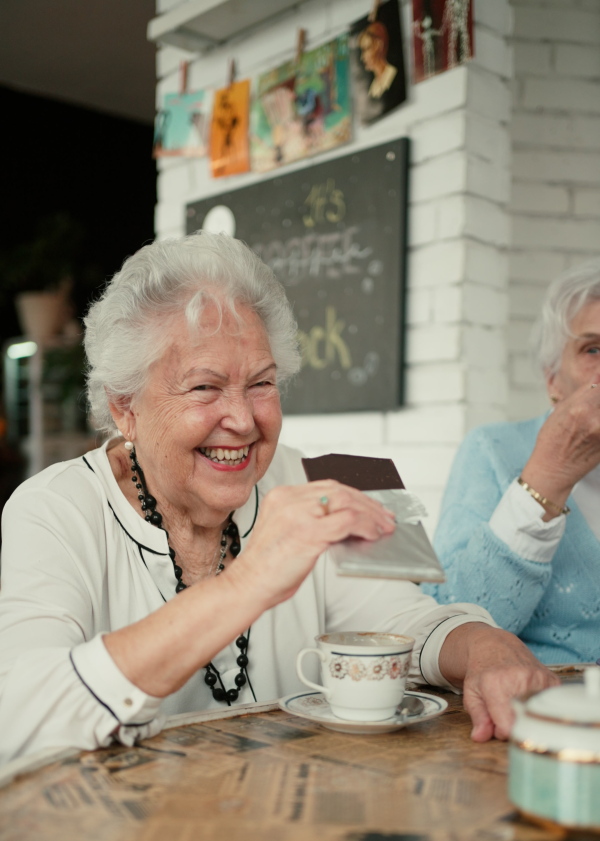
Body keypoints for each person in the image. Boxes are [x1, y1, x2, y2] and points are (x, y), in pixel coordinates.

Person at [0, 233, 556, 764]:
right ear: (125, 408)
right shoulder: (51, 508)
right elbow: (23, 714)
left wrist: (486, 646)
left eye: (262, 384)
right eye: (204, 387)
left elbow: (411, 623)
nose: (243, 420)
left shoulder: (336, 475)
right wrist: (247, 583)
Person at [424, 259, 600, 664]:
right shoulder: (492, 449)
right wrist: (549, 475)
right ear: (553, 379)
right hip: (537, 718)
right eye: (593, 348)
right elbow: (445, 625)